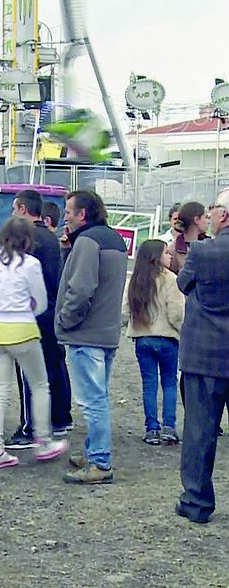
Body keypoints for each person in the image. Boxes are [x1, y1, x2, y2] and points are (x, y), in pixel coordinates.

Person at [0, 217, 69, 468]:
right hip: (23, 328)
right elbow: (40, 301)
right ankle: (42, 440)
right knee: (40, 385)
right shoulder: (30, 263)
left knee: (0, 390)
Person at [56, 190, 127, 485]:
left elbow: (81, 288)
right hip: (107, 331)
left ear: (82, 214)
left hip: (86, 334)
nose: (65, 216)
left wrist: (64, 320)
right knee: (100, 397)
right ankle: (93, 452)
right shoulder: (114, 239)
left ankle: (99, 461)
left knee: (92, 400)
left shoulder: (87, 242)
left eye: (69, 211)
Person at [175, 188, 229, 524]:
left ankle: (196, 502)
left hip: (204, 356)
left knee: (199, 432)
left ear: (223, 215)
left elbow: (183, 284)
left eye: (213, 209)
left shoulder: (203, 252)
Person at [7, 190, 72, 449]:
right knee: (49, 368)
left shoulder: (24, 238)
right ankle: (56, 419)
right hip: (50, 311)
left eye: (14, 209)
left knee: (27, 374)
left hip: (28, 313)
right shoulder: (51, 237)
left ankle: (29, 427)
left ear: (23, 209)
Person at [122, 239, 183, 446]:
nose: (171, 256)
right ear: (157, 257)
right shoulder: (171, 280)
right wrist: (181, 331)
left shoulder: (137, 280)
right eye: (167, 253)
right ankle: (169, 427)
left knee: (149, 384)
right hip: (167, 338)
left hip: (143, 338)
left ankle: (151, 428)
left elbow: (124, 309)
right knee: (169, 383)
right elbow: (176, 313)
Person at [167, 201, 210, 274]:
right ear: (196, 220)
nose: (208, 222)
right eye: (206, 217)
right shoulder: (173, 251)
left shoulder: (210, 244)